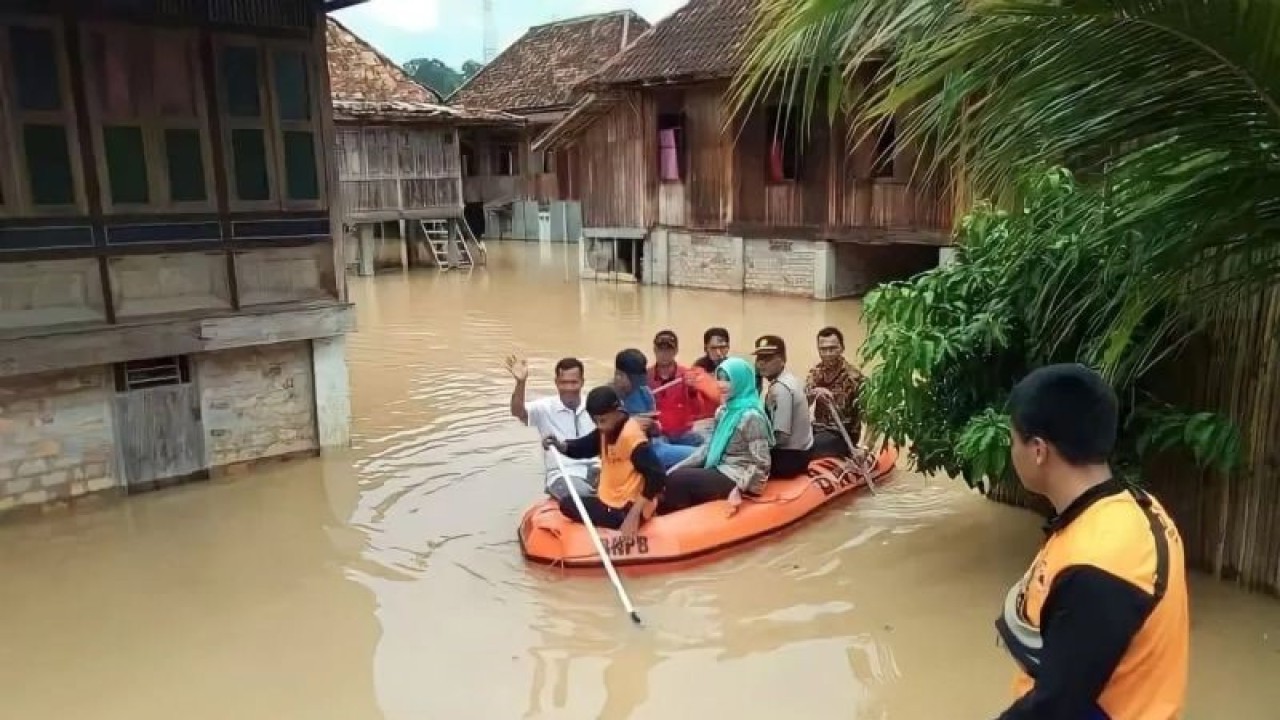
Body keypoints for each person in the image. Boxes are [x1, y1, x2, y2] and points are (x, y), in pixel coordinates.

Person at [994, 363, 1188, 719]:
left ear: (1038, 450)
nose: (1012, 452)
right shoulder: (1136, 506)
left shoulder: (1099, 564)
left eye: (1013, 440)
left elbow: (1056, 707)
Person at [542, 386, 667, 539]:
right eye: (596, 421)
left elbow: (658, 476)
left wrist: (632, 516)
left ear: (617, 411)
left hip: (627, 507)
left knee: (567, 504)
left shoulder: (632, 438)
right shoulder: (607, 429)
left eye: (602, 420)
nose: (600, 426)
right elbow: (585, 446)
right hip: (614, 498)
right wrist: (560, 445)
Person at [659, 357, 772, 514]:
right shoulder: (724, 410)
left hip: (737, 474)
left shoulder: (751, 416)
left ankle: (673, 523)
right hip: (720, 466)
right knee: (672, 475)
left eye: (728, 380)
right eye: (719, 379)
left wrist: (740, 489)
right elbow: (708, 448)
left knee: (678, 481)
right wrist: (673, 470)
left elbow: (762, 462)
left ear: (741, 381)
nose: (722, 385)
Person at [506, 354, 599, 501]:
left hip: (597, 471)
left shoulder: (595, 405)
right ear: (556, 382)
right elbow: (518, 412)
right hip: (564, 474)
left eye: (574, 382)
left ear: (582, 382)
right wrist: (520, 383)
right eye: (564, 383)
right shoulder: (544, 407)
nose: (569, 388)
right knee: (583, 496)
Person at [614, 348, 695, 469]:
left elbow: (657, 428)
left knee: (701, 448)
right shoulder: (608, 397)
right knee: (697, 454)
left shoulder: (644, 391)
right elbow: (607, 435)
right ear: (619, 375)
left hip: (655, 442)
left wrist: (653, 426)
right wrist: (632, 424)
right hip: (634, 451)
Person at [752, 335, 814, 478]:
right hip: (800, 452)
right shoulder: (790, 379)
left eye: (767, 359)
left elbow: (781, 437)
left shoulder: (781, 388)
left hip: (789, 458)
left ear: (782, 360)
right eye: (759, 359)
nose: (761, 364)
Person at [648, 329, 721, 447]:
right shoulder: (646, 377)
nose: (664, 353)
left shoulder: (687, 375)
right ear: (655, 350)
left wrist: (692, 391)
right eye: (661, 349)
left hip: (683, 434)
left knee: (708, 445)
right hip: (659, 436)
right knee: (659, 447)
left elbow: (698, 410)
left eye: (669, 349)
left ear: (676, 351)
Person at [804, 326, 866, 459]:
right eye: (823, 349)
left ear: (842, 348)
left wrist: (865, 448)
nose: (828, 354)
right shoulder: (816, 372)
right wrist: (814, 393)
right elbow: (803, 404)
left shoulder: (854, 378)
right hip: (818, 428)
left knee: (808, 449)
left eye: (832, 348)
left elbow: (873, 418)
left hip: (843, 434)